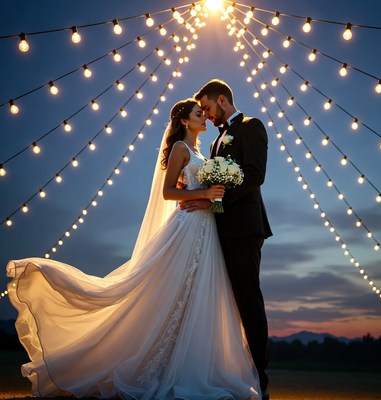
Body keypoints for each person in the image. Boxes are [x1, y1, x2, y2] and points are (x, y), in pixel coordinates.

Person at [6, 98, 262, 399]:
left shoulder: (200, 153)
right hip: (188, 229)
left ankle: (186, 364)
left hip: (206, 231)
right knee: (168, 294)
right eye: (197, 113)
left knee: (196, 297)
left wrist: (213, 197)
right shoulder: (181, 149)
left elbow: (206, 196)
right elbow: (169, 192)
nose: (203, 117)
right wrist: (204, 191)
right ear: (183, 121)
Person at [181, 79, 272, 400]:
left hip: (245, 227)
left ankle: (260, 380)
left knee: (248, 301)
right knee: (221, 304)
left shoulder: (251, 126)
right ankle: (227, 372)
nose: (206, 115)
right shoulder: (216, 139)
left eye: (206, 108)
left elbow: (254, 175)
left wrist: (213, 201)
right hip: (218, 230)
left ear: (222, 100)